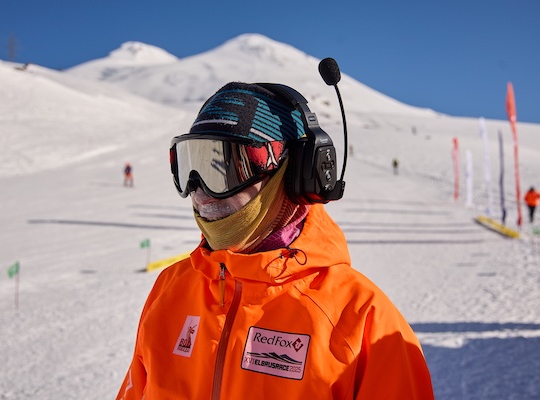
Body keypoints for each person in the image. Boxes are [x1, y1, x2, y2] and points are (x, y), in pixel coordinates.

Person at [116, 82, 434, 399]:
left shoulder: (363, 320)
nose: (199, 192)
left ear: (294, 175)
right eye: (189, 167)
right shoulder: (169, 289)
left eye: (225, 168)